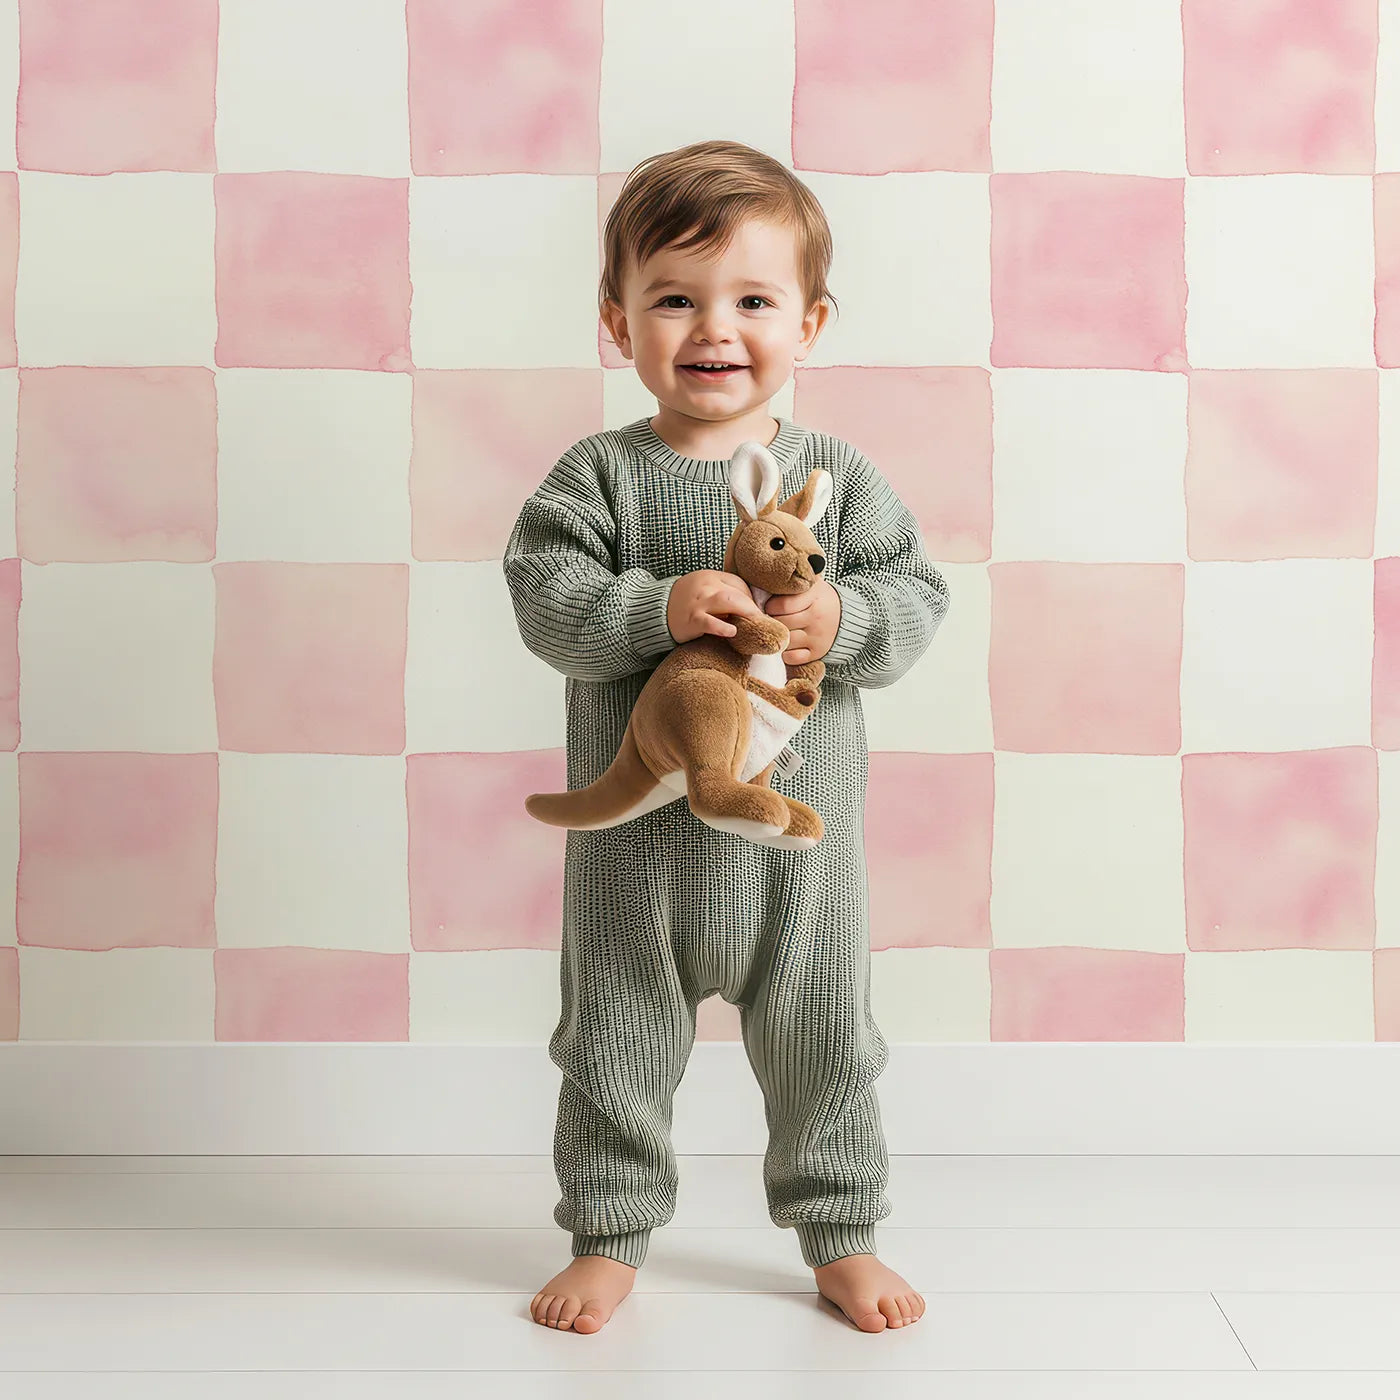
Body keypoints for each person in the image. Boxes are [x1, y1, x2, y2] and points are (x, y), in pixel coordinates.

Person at [502, 139, 950, 1335]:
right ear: (617, 320)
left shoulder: (838, 483)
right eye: (674, 298)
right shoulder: (597, 477)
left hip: (800, 853)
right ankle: (607, 1230)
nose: (714, 327)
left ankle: (839, 1227)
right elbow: (544, 597)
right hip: (634, 858)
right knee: (610, 1039)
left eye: (752, 299)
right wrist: (652, 606)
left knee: (825, 1042)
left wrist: (841, 615)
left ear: (807, 321)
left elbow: (915, 600)